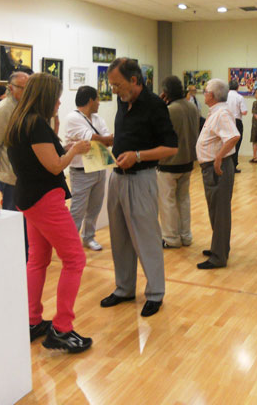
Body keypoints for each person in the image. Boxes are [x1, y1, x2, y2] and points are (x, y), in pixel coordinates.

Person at [6, 72, 93, 353]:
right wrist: (76, 149)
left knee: (38, 260)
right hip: (45, 199)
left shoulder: (21, 122)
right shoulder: (36, 125)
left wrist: (64, 145)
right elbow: (55, 166)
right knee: (75, 259)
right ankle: (62, 328)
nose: (59, 101)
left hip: (30, 197)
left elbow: (44, 156)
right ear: (45, 97)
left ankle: (32, 320)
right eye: (55, 96)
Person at [99, 58, 178, 317]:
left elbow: (171, 147)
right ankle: (124, 288)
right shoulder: (123, 103)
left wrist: (138, 155)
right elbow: (125, 136)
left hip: (141, 179)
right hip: (117, 178)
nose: (114, 90)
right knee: (119, 238)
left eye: (117, 84)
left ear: (134, 80)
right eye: (111, 85)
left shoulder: (155, 106)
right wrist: (104, 141)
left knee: (146, 238)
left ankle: (155, 292)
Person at [196, 78, 240, 269]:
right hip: (212, 169)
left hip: (217, 169)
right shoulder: (217, 111)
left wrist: (219, 158)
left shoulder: (221, 113)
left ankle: (218, 256)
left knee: (220, 211)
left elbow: (233, 136)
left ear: (211, 95)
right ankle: (219, 247)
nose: (203, 93)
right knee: (216, 210)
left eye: (205, 91)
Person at [65, 86, 114, 251]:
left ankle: (88, 237)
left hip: (99, 168)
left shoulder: (97, 119)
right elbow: (98, 139)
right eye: (98, 99)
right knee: (77, 210)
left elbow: (107, 139)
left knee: (95, 207)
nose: (99, 103)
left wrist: (105, 140)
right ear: (91, 100)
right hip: (81, 172)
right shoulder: (73, 117)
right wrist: (105, 140)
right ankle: (69, 243)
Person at [0, 71, 30, 259]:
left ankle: (25, 260)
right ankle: (13, 261)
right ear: (10, 88)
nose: (27, 91)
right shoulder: (3, 110)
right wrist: (4, 168)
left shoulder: (26, 106)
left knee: (26, 226)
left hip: (27, 179)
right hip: (11, 179)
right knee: (14, 225)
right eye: (23, 88)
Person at [157, 76, 200, 249]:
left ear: (166, 92)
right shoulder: (192, 107)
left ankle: (170, 238)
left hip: (169, 162)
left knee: (167, 201)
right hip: (188, 160)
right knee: (183, 199)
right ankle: (185, 235)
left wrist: (160, 105)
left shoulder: (169, 110)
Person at [226, 80, 248, 173]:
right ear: (237, 87)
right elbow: (244, 112)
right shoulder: (239, 97)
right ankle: (233, 166)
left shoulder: (225, 97)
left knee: (226, 143)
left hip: (226, 121)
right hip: (236, 121)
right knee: (236, 144)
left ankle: (225, 166)